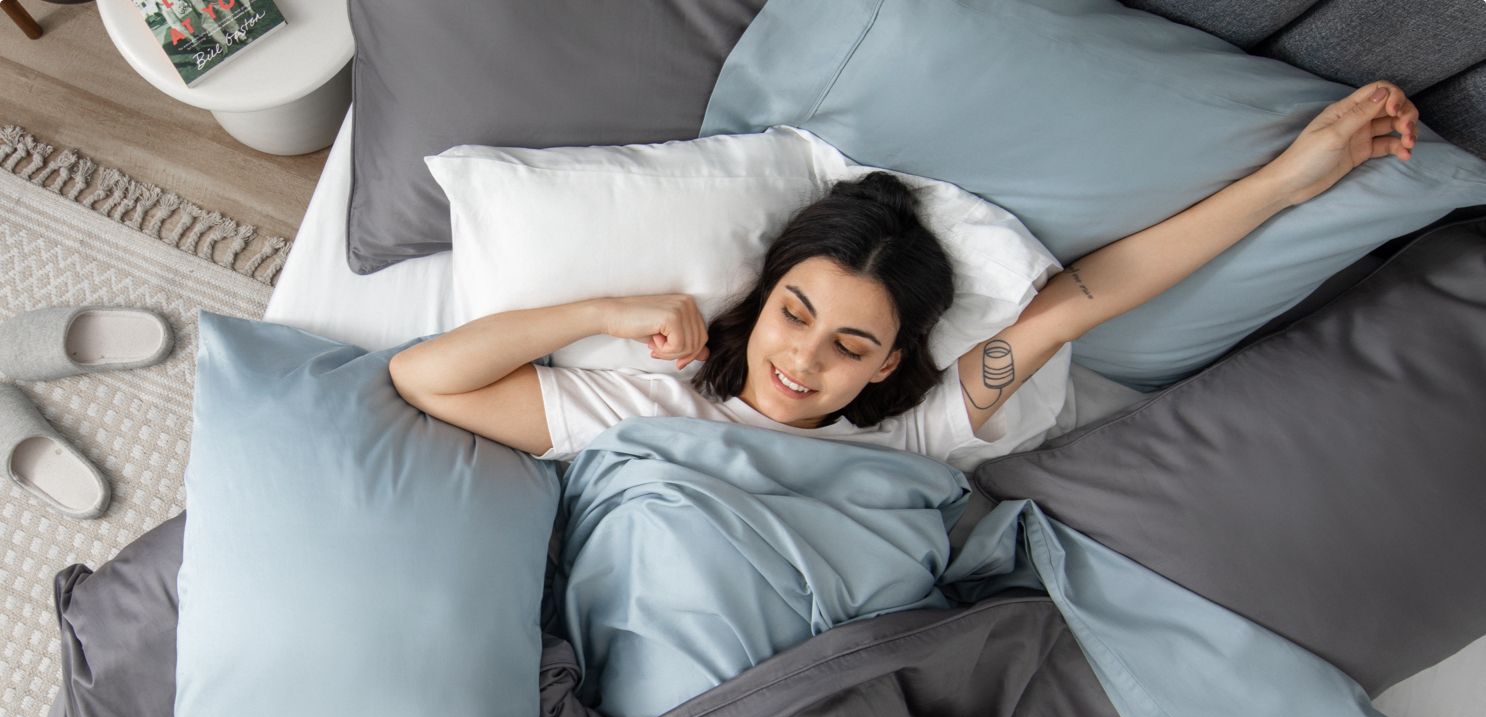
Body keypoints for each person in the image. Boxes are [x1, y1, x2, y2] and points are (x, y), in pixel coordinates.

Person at [389, 81, 1419, 467]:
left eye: (850, 345)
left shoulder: (915, 435)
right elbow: (427, 378)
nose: (805, 358)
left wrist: (1291, 180)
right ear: (760, 302)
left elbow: (1081, 301)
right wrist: (606, 308)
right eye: (796, 312)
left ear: (887, 367)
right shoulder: (644, 408)